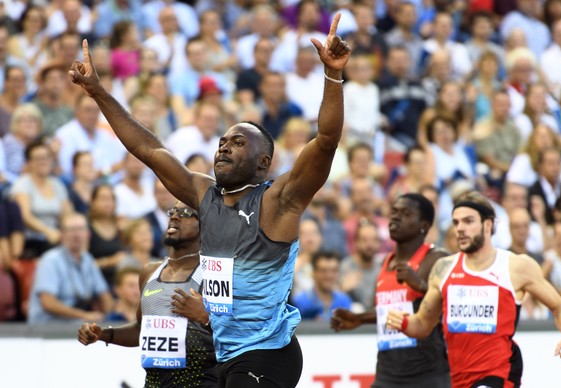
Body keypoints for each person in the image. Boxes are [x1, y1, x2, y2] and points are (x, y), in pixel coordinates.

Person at [70, 14, 350, 387]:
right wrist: (98, 92)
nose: (224, 146)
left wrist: (332, 76)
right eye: (222, 141)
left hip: (268, 351)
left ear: (263, 163)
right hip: (225, 352)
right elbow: (149, 149)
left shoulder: (278, 201)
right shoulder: (205, 195)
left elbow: (326, 141)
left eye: (237, 143)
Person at [387, 191, 561, 388]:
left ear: (488, 225)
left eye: (468, 221)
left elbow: (560, 306)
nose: (460, 229)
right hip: (459, 379)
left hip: (499, 373)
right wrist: (403, 323)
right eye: (456, 222)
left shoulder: (515, 266)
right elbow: (422, 324)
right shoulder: (444, 269)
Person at [78, 201, 218, 386]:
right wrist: (103, 334)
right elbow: (140, 329)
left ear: (205, 223)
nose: (174, 216)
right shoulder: (149, 272)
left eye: (185, 212)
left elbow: (238, 333)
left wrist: (206, 317)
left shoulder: (213, 273)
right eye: (173, 211)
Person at [331, 194, 451, 388]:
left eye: (405, 213)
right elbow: (390, 312)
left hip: (427, 373)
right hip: (388, 373)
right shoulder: (386, 262)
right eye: (394, 211)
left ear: (424, 225)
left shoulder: (436, 258)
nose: (395, 217)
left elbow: (452, 303)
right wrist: (359, 318)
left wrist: (420, 285)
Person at [27, 212, 113, 324]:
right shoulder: (50, 260)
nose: (77, 235)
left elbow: (104, 295)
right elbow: (48, 303)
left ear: (88, 233)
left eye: (81, 229)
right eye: (72, 230)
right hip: (48, 327)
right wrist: (84, 315)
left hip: (78, 324)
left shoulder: (88, 259)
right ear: (62, 234)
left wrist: (111, 316)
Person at [292, 250, 352, 321]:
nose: (329, 276)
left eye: (334, 270)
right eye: (323, 270)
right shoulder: (300, 301)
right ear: (313, 273)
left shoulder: (344, 301)